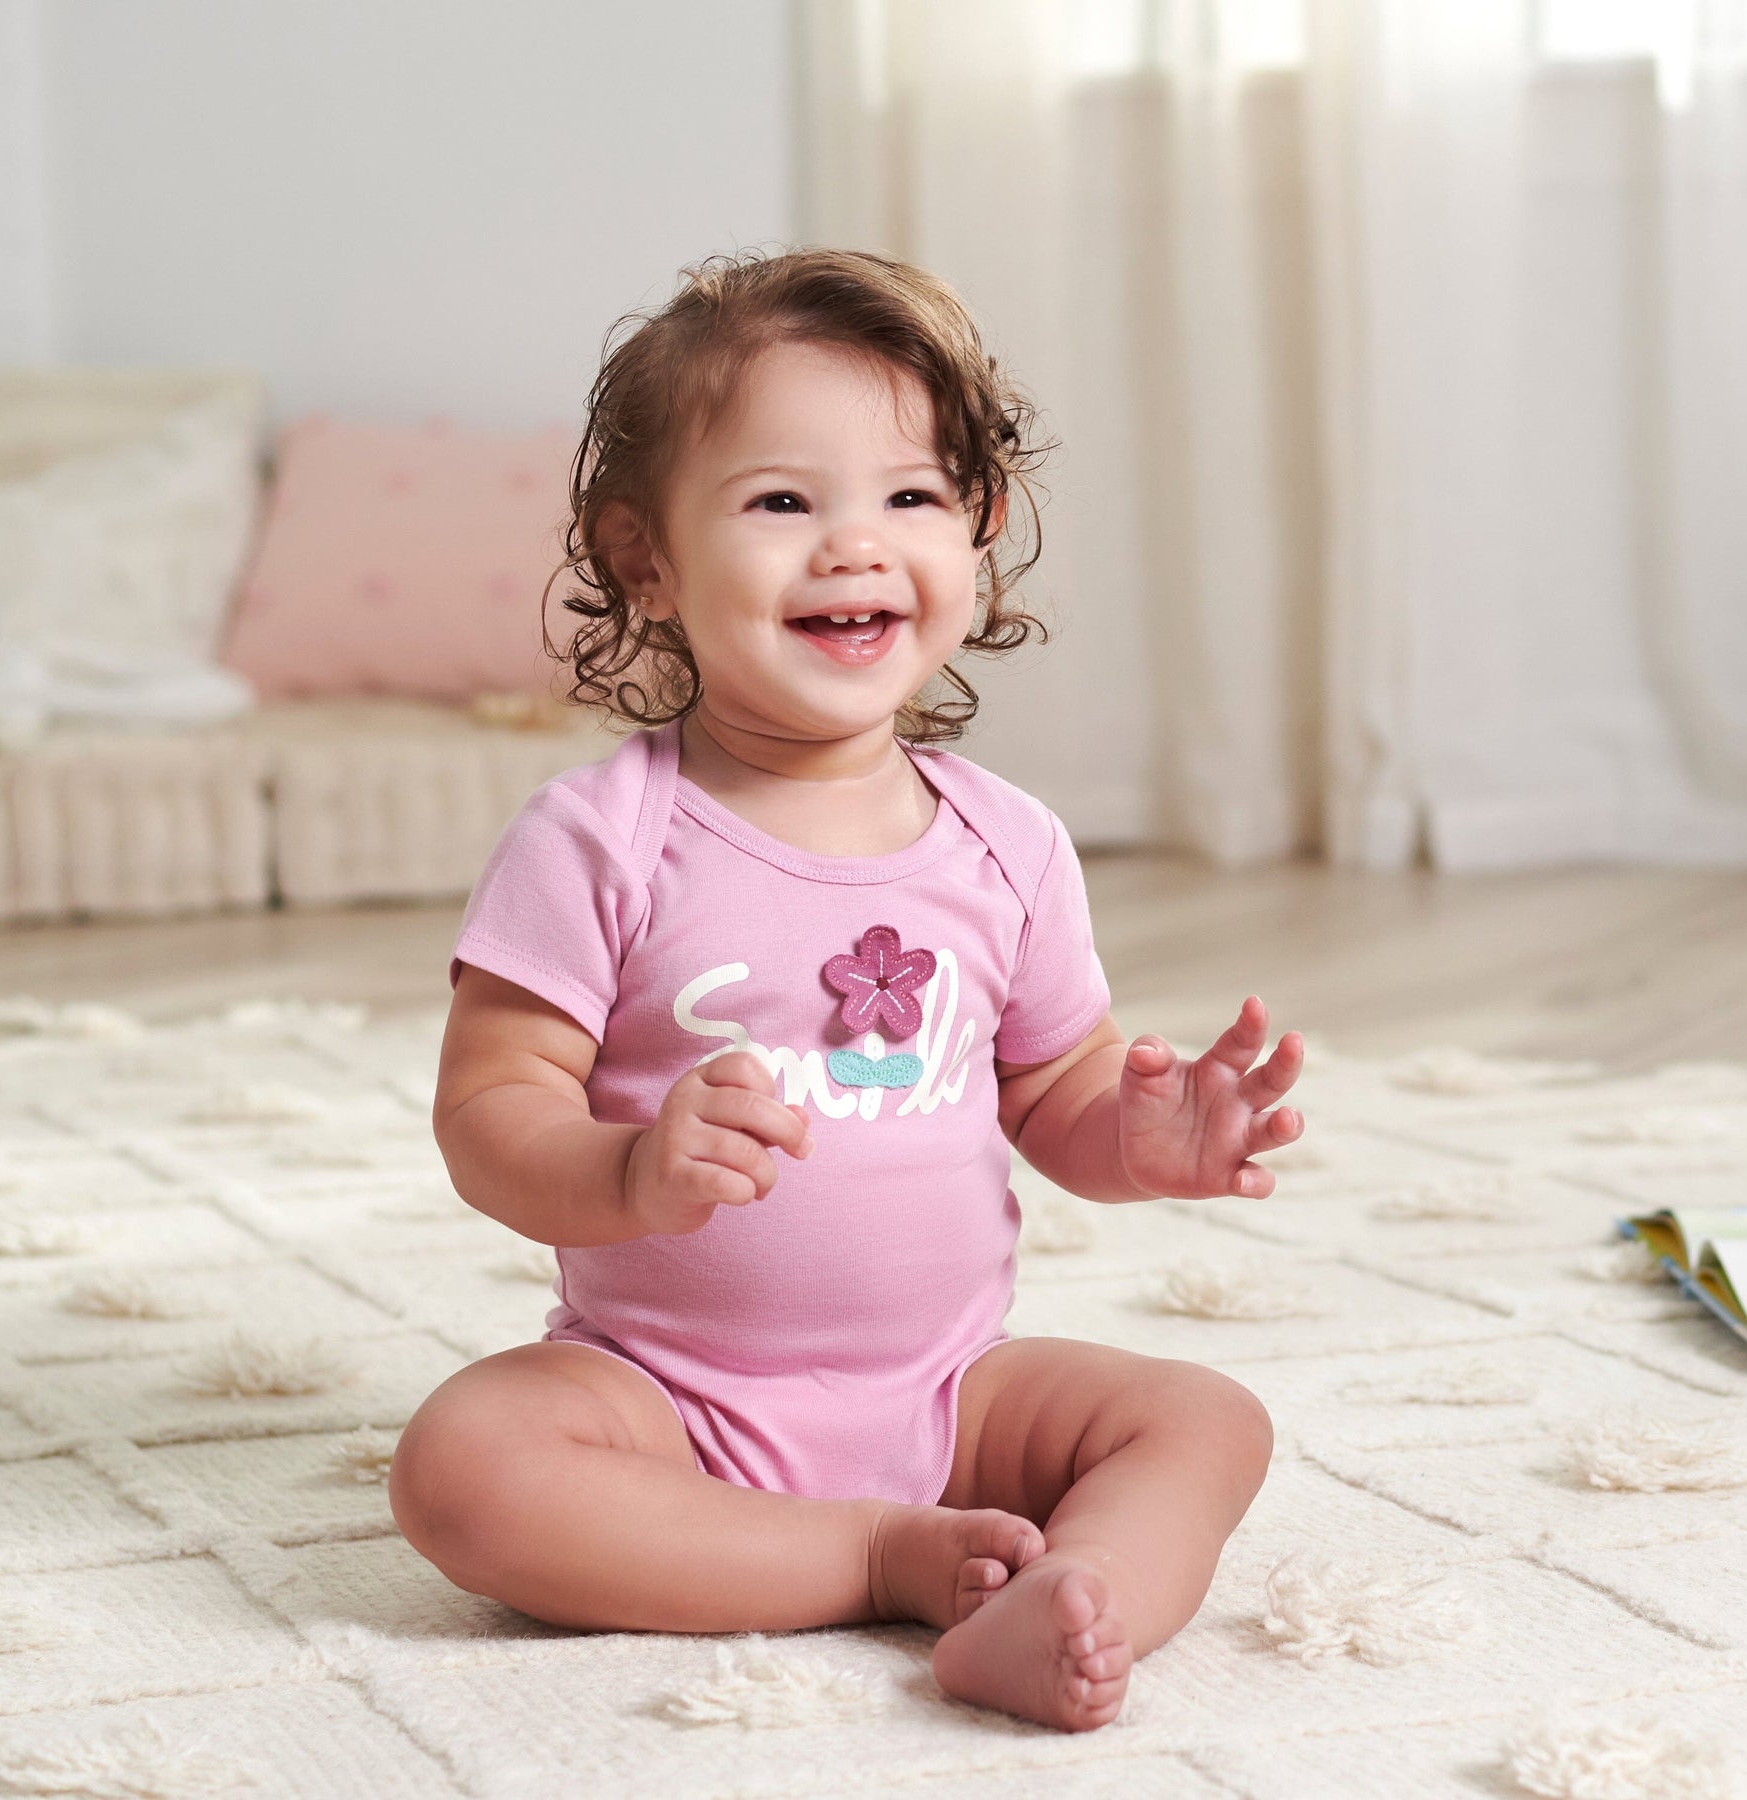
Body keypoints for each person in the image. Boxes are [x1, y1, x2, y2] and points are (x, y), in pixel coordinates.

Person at [390, 248, 1304, 1733]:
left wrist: (1139, 1138)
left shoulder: (1007, 845)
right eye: (780, 502)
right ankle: (877, 1559)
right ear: (647, 560)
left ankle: (1073, 1601)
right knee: (464, 1468)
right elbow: (489, 1113)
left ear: (979, 529)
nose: (855, 546)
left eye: (912, 496)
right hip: (664, 1396)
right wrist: (627, 1169)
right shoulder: (601, 838)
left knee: (1208, 1420)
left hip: (949, 1395)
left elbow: (1056, 1088)